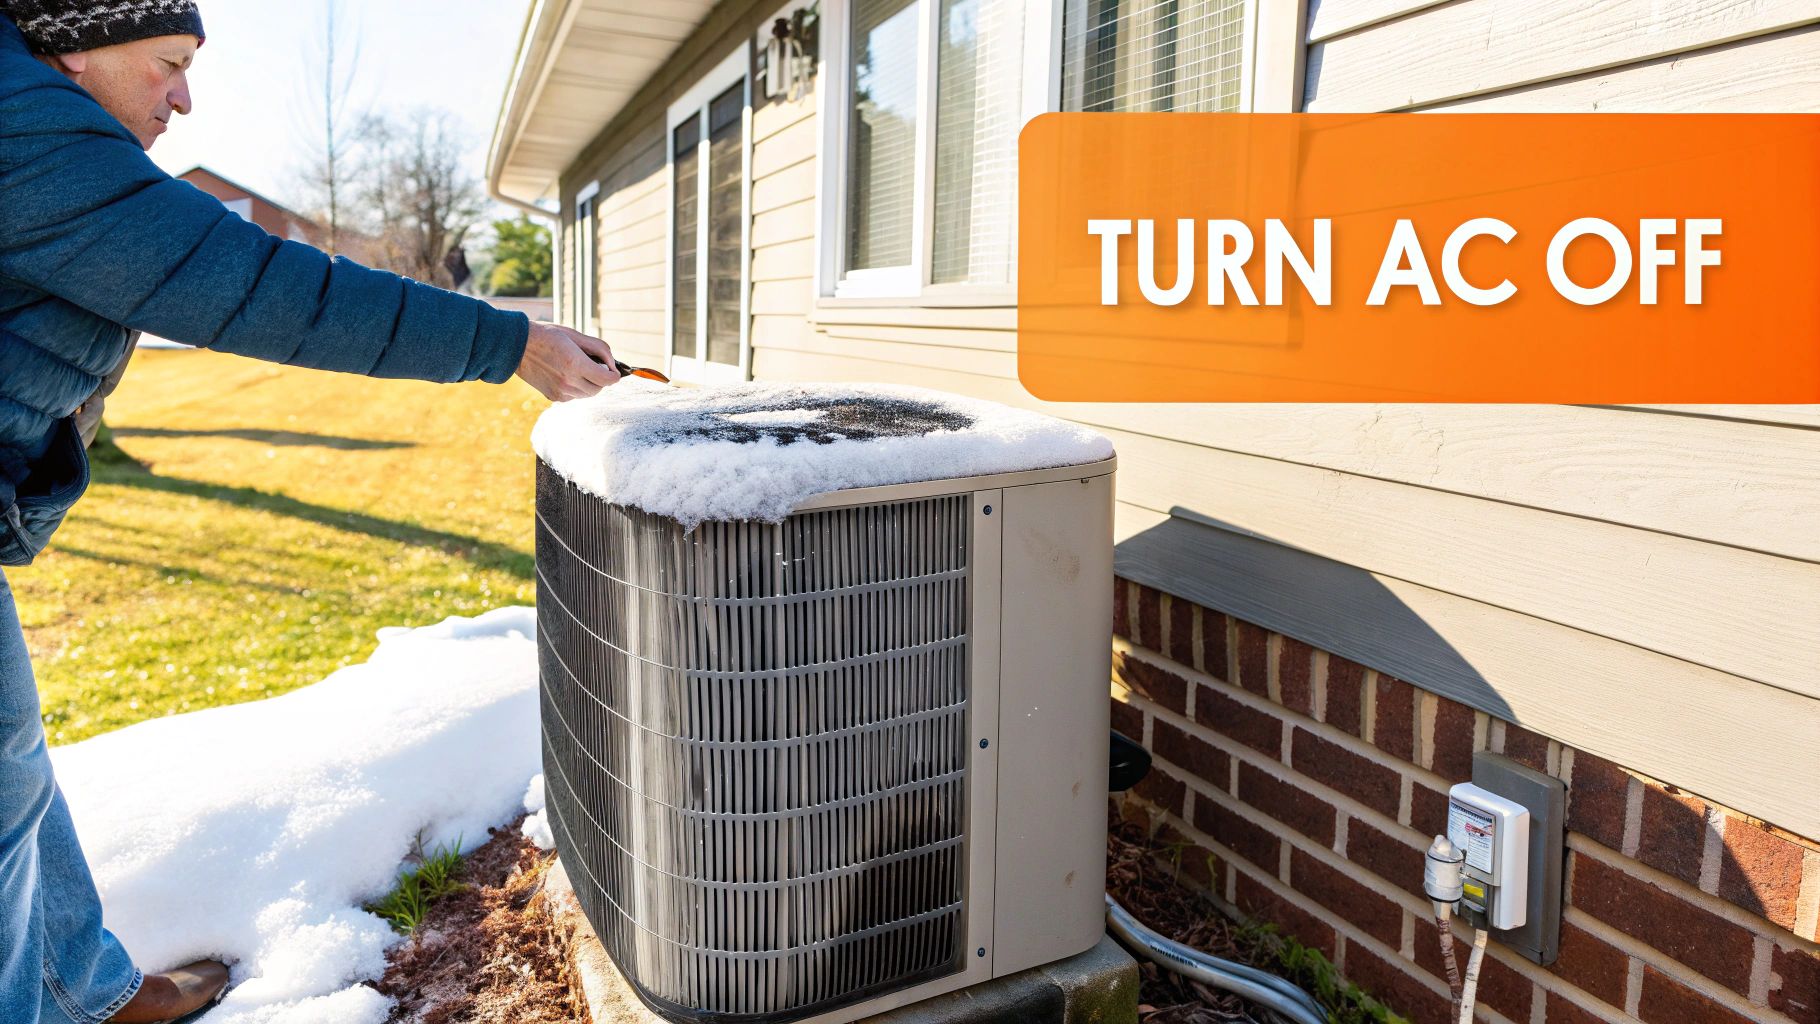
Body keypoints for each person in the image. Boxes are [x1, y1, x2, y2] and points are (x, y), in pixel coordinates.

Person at [0, 2, 620, 1021]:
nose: (183, 98)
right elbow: (265, 287)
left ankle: (82, 993)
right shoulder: (29, 137)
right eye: (167, 62)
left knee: (12, 773)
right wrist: (511, 343)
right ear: (75, 47)